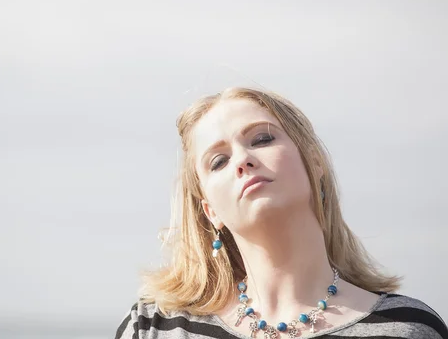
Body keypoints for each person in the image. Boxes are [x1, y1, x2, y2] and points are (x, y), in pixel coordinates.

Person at [115, 87, 447, 339]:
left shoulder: (408, 327)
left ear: (314, 160)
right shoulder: (154, 328)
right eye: (218, 161)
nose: (243, 160)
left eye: (261, 139)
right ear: (210, 210)